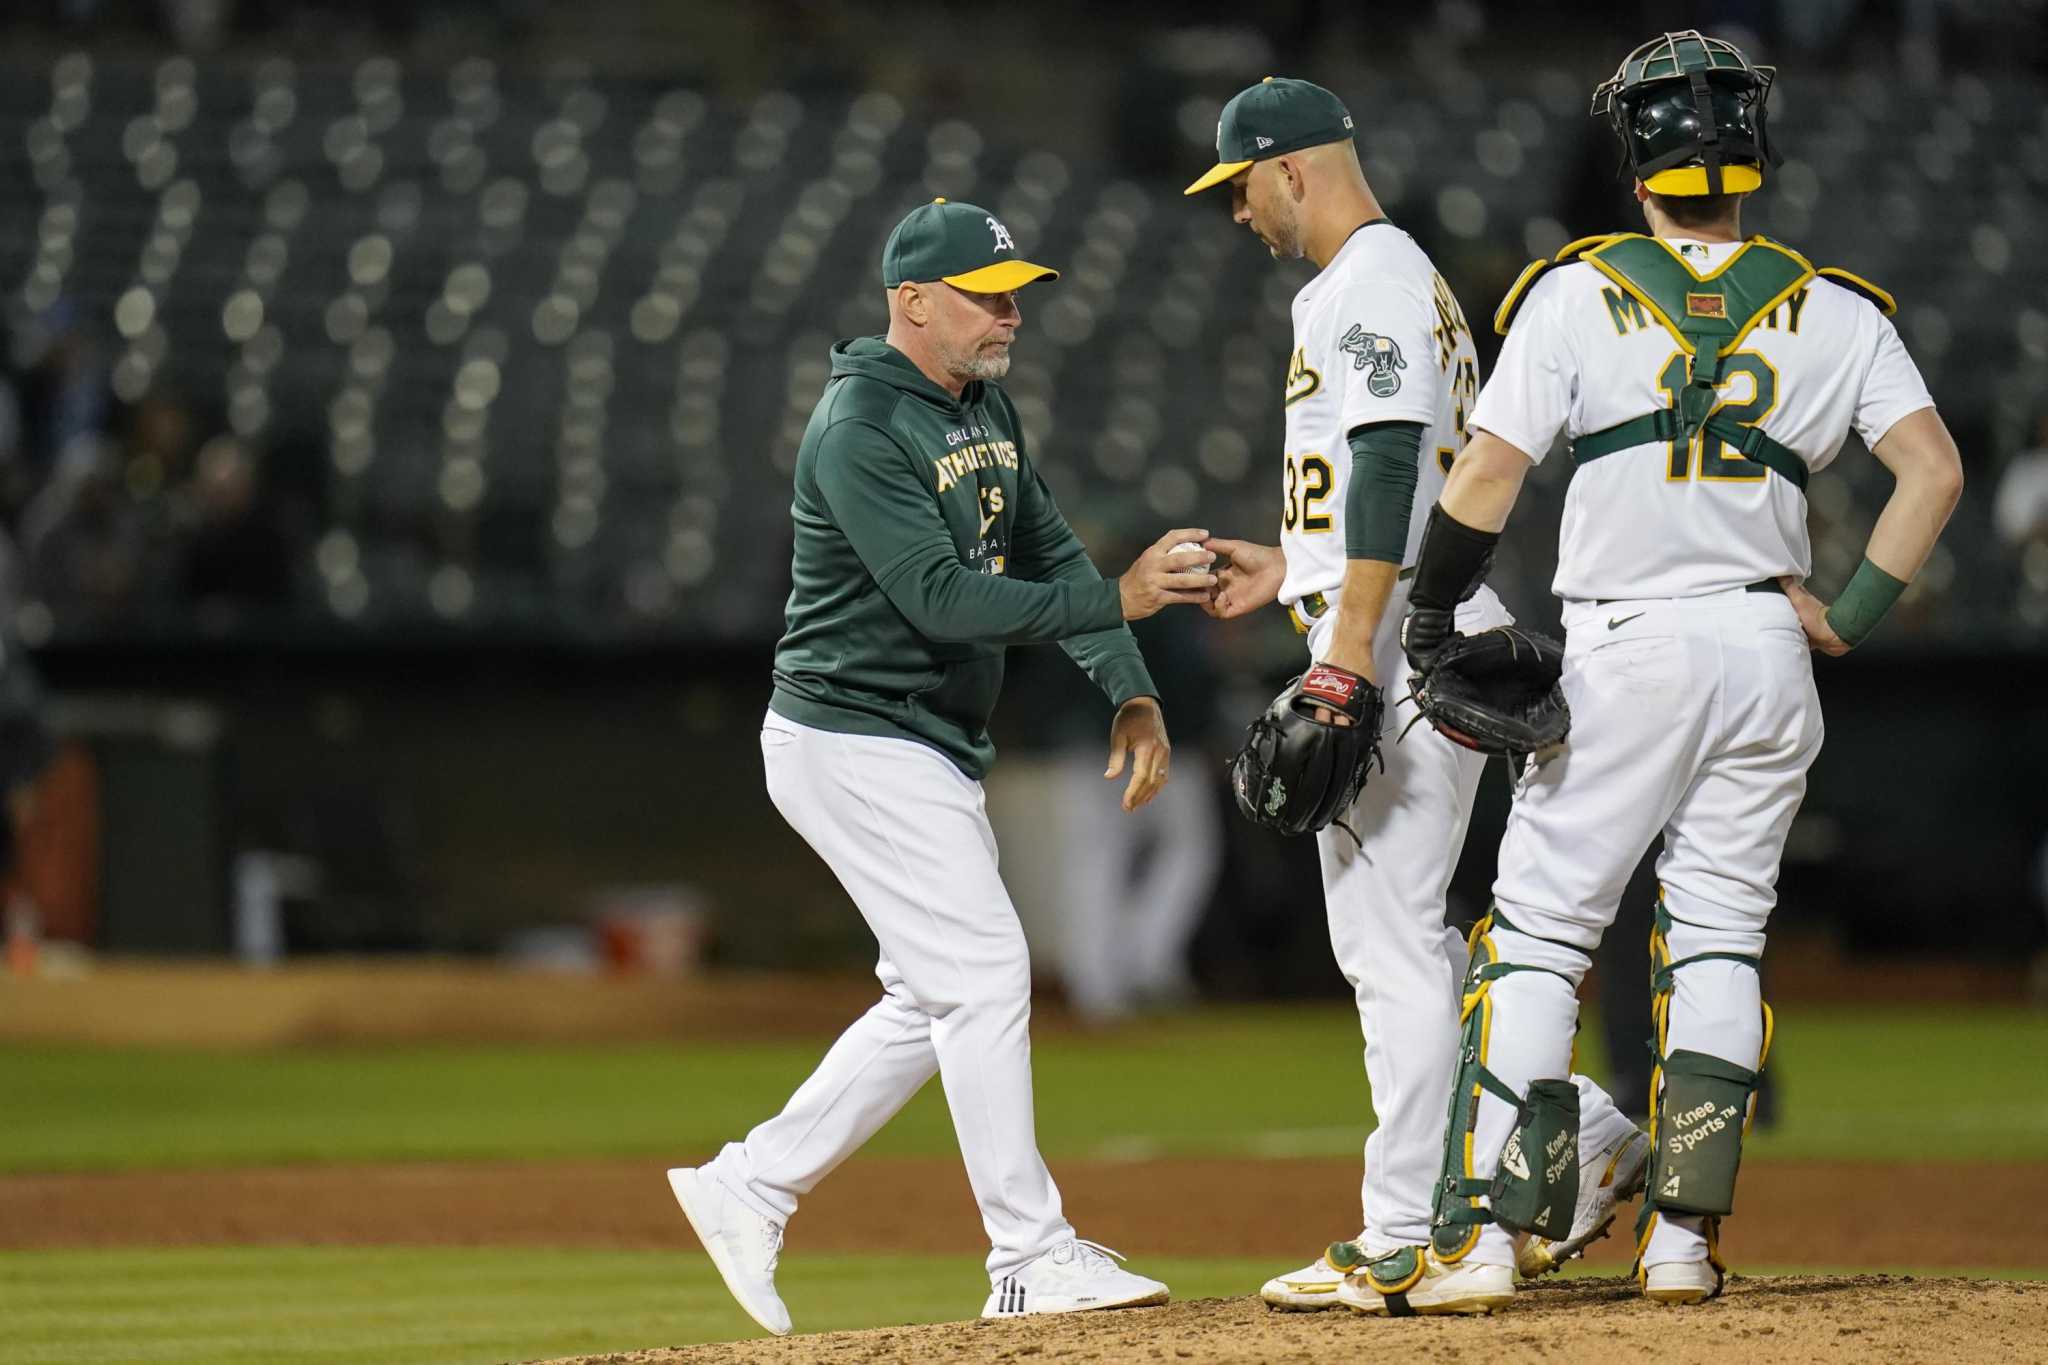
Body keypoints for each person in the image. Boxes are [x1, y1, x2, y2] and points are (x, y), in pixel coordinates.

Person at [1401, 31, 1963, 1305]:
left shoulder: (1573, 291)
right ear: (1752, 156)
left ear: (1634, 155)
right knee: (1717, 944)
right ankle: (1681, 1248)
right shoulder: (1832, 307)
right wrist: (1852, 612)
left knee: (1540, 936)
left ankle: (1483, 1244)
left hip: (1628, 645)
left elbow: (1486, 474)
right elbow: (1931, 469)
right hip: (1766, 653)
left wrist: (1430, 618)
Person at [668, 198, 1213, 1336]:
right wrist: (1114, 599)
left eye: (1014, 292)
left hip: (912, 740)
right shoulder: (861, 423)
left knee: (930, 994)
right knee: (983, 971)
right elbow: (941, 597)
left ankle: (750, 1185)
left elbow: (1050, 546)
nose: (1008, 313)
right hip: (849, 735)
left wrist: (1130, 684)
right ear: (910, 302)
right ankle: (1027, 1256)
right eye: (985, 294)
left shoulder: (979, 401)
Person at [1186, 77, 1645, 1317]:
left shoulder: (1370, 278)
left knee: (1388, 950)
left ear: (1291, 169)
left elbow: (1392, 454)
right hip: (1391, 624)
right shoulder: (1384, 279)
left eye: (1238, 185)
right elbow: (1382, 471)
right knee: (1413, 945)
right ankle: (1583, 1131)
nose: (1234, 211)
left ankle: (1406, 1229)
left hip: (1389, 651)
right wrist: (1292, 566)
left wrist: (1341, 653)